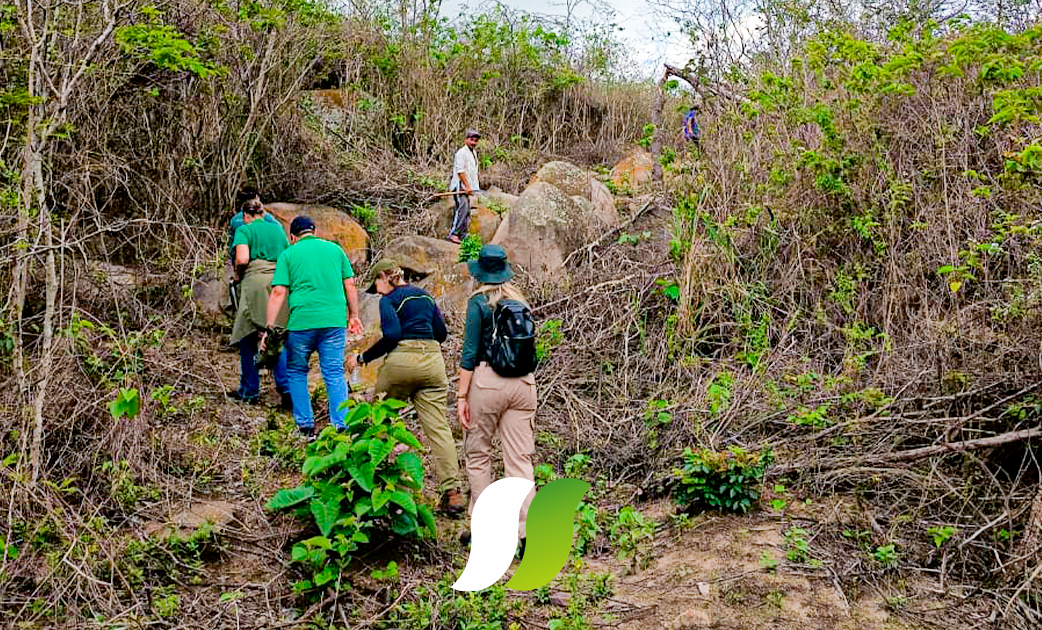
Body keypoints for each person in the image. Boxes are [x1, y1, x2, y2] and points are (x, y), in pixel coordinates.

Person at [346, 259, 466, 516]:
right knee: (439, 428)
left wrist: (362, 357)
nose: (377, 292)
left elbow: (392, 335)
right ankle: (453, 492)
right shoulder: (425, 296)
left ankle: (371, 485)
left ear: (384, 277)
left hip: (402, 361)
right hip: (433, 363)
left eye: (376, 285)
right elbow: (441, 334)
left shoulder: (388, 300)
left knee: (379, 418)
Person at [455, 245, 537, 550]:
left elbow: (469, 353)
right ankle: (526, 533)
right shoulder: (520, 301)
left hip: (488, 382)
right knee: (519, 459)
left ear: (480, 273)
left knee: (479, 454)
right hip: (524, 383)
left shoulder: (478, 303)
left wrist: (462, 396)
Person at [262, 216, 364, 438]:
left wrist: (269, 328)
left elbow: (278, 292)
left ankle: (305, 427)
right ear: (314, 232)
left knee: (297, 371)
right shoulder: (335, 250)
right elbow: (349, 284)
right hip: (334, 321)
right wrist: (354, 315)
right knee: (334, 372)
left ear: (292, 237)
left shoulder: (288, 254)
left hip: (302, 323)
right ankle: (341, 427)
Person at [227, 199, 291, 409]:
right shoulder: (277, 230)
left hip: (254, 282)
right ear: (262, 213)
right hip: (278, 282)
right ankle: (285, 387)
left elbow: (242, 259)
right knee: (275, 334)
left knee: (247, 335)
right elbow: (287, 256)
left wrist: (238, 275)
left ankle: (250, 390)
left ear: (246, 215)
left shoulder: (244, 230)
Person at [446, 129, 481, 244]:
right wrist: (466, 186)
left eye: (475, 141)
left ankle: (462, 234)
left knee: (466, 210)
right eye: (471, 140)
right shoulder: (461, 153)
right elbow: (460, 171)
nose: (473, 142)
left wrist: (473, 187)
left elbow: (472, 172)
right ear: (466, 140)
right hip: (460, 187)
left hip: (468, 187)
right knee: (461, 209)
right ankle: (454, 234)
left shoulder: (473, 153)